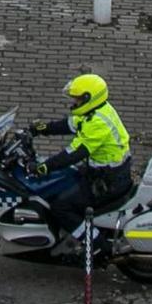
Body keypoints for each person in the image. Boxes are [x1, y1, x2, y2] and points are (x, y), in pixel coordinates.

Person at [27, 74, 132, 252]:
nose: (74, 102)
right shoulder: (98, 110)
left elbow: (73, 153)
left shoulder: (98, 123)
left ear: (87, 99)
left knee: (61, 207)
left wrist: (45, 167)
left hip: (108, 182)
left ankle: (98, 246)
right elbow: (71, 124)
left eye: (76, 98)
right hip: (104, 173)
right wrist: (43, 129)